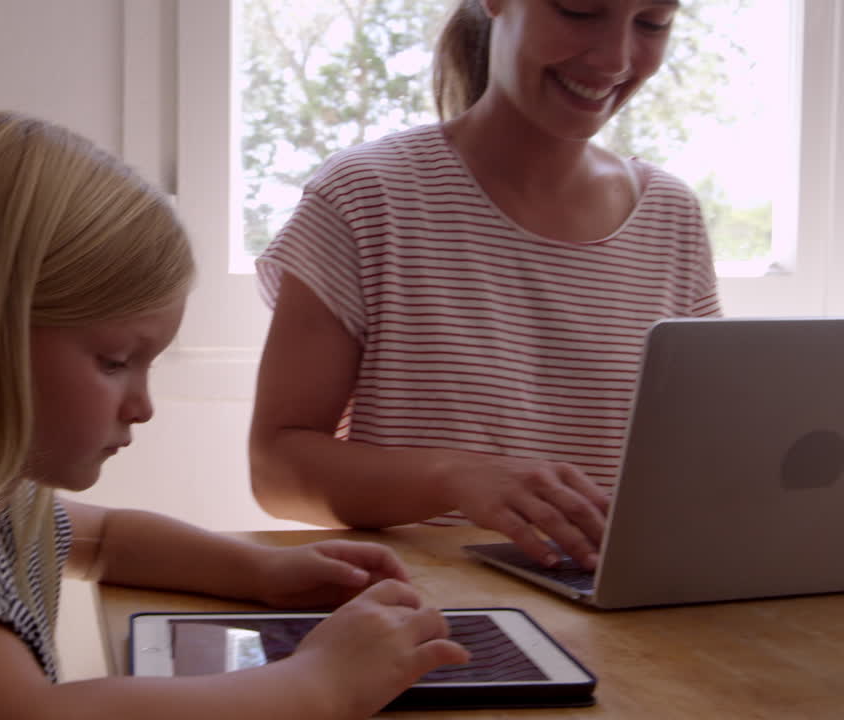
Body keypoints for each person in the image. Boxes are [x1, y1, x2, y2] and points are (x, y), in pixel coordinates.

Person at [0, 111, 468, 720]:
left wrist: (264, 571)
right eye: (114, 361)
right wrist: (317, 687)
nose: (143, 404)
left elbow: (104, 540)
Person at [249, 0, 722, 572]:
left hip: (629, 625)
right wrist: (457, 476)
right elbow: (276, 470)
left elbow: (698, 464)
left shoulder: (672, 217)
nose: (616, 58)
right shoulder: (368, 197)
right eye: (580, 11)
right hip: (434, 623)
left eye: (652, 23)